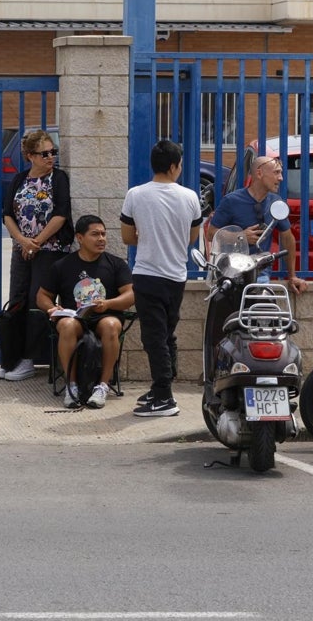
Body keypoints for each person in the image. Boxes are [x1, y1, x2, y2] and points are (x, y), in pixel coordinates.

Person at [121, 140, 203, 418]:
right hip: (176, 276)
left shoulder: (136, 194)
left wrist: (147, 236)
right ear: (173, 166)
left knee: (154, 337)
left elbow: (127, 237)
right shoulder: (191, 197)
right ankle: (161, 388)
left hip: (147, 274)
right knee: (166, 334)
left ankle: (165, 395)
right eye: (179, 164)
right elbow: (192, 238)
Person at [37, 214, 135, 409]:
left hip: (105, 315)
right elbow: (42, 296)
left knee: (110, 325)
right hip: (74, 318)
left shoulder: (116, 264)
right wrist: (51, 308)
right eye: (95, 234)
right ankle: (71, 386)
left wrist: (108, 304)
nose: (101, 239)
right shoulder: (63, 265)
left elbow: (131, 295)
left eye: (104, 234)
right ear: (80, 238)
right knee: (66, 325)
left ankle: (102, 386)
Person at [0, 130, 73, 381]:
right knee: (17, 298)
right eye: (44, 153)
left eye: (53, 152)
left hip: (50, 251)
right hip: (22, 249)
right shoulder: (20, 180)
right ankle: (12, 357)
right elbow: (7, 214)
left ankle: (31, 359)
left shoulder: (58, 178)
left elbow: (61, 214)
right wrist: (22, 241)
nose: (51, 157)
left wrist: (37, 243)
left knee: (36, 301)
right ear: (30, 156)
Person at [205, 154, 308, 294]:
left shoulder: (276, 203)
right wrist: (241, 236)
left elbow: (287, 238)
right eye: (276, 172)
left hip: (260, 274)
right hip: (231, 273)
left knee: (262, 309)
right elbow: (211, 234)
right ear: (259, 173)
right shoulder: (231, 201)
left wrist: (292, 276)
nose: (281, 178)